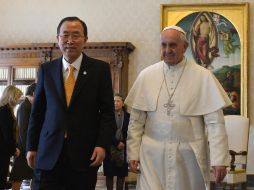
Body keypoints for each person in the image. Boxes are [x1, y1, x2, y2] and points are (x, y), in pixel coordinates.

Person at [125, 26, 232, 190]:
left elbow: (215, 124)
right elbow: (136, 121)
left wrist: (219, 160)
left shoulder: (203, 76)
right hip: (151, 155)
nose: (167, 50)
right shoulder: (146, 75)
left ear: (185, 47)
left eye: (173, 45)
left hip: (189, 156)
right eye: (164, 45)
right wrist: (132, 153)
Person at [26, 16, 115, 190]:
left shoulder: (100, 70)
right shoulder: (46, 69)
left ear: (85, 40)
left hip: (84, 154)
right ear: (58, 38)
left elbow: (107, 113)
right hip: (48, 152)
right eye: (65, 35)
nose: (70, 41)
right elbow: (37, 112)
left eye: (76, 35)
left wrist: (102, 144)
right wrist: (31, 146)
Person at [10, 83, 36, 190]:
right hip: (24, 148)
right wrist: (28, 149)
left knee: (33, 176)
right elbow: (23, 131)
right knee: (18, 178)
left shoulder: (30, 105)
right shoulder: (24, 106)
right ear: (34, 93)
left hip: (29, 147)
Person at [103, 93, 130, 190]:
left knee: (121, 175)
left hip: (123, 149)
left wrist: (123, 142)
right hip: (110, 148)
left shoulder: (128, 116)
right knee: (109, 175)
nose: (115, 103)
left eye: (118, 101)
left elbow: (130, 132)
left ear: (122, 103)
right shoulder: (107, 116)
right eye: (114, 101)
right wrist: (116, 143)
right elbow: (106, 131)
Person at [0, 85, 23, 189]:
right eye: (17, 98)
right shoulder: (5, 111)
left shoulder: (3, 109)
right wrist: (14, 149)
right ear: (11, 97)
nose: (18, 101)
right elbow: (7, 135)